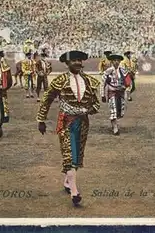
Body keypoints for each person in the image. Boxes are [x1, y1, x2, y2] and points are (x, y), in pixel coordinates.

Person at [36, 50, 101, 206]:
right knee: (69, 154)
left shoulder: (90, 81)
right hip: (66, 121)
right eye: (74, 61)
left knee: (77, 153)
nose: (78, 63)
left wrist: (87, 110)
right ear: (67, 63)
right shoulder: (60, 80)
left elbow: (96, 104)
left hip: (83, 122)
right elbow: (47, 99)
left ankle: (67, 181)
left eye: (79, 60)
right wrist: (41, 119)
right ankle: (74, 192)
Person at [100, 54, 131, 135]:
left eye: (118, 60)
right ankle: (115, 127)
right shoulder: (108, 71)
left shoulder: (123, 71)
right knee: (113, 109)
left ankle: (115, 124)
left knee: (120, 110)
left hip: (121, 92)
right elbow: (102, 83)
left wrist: (127, 89)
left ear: (120, 61)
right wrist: (102, 95)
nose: (116, 62)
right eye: (114, 60)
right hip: (112, 92)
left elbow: (128, 82)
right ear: (112, 61)